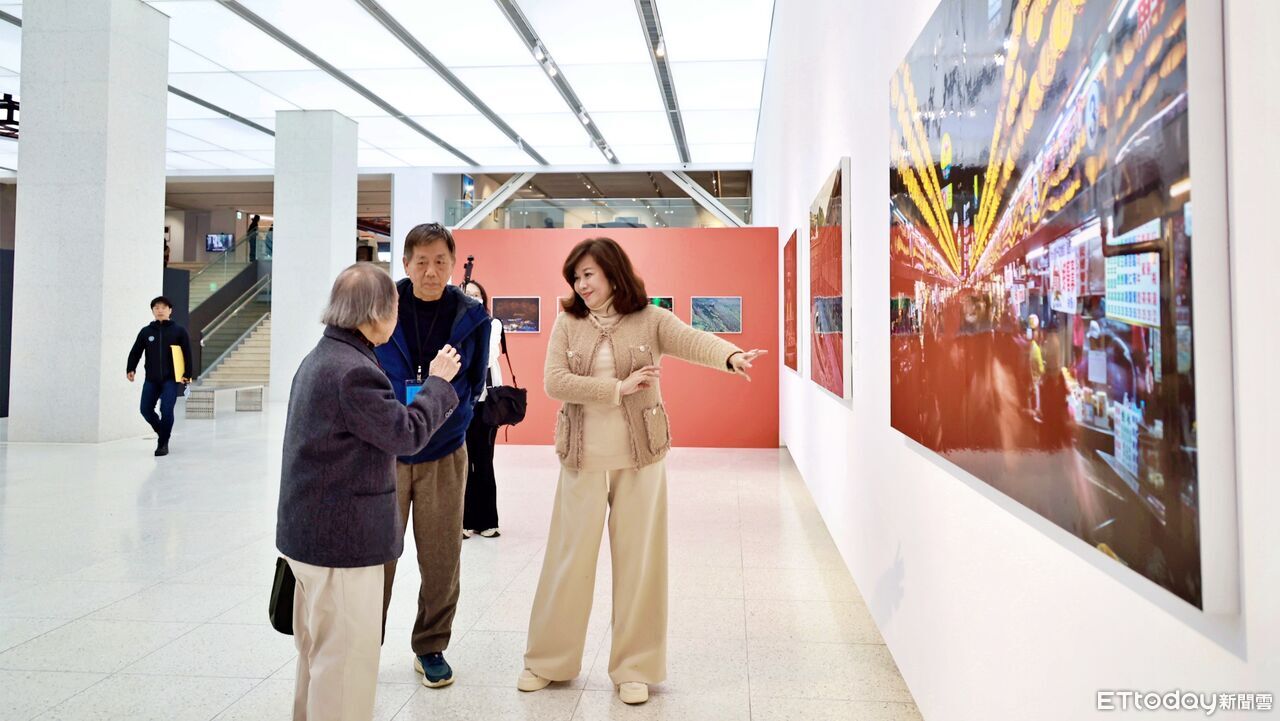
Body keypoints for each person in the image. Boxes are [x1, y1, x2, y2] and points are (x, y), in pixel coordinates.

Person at [517, 238, 766, 705]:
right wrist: (618, 388)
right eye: (575, 277)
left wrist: (730, 356)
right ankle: (548, 660)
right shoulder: (568, 322)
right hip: (582, 458)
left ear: (613, 272)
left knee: (640, 565)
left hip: (641, 457)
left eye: (588, 274)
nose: (580, 284)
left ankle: (635, 667)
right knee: (567, 563)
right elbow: (554, 381)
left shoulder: (650, 319)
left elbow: (691, 339)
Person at [277, 263, 462, 721]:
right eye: (395, 307)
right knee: (344, 669)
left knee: (318, 659)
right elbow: (407, 433)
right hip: (342, 545)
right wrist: (438, 383)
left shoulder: (322, 357)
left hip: (310, 537)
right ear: (376, 313)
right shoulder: (353, 371)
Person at [375, 222, 491, 688]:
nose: (430, 271)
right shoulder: (383, 305)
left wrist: (448, 422)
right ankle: (364, 642)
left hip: (444, 451)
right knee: (376, 555)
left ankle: (431, 645)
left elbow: (474, 383)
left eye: (440, 261)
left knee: (441, 557)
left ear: (452, 264)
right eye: (421, 261)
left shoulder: (472, 316)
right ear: (405, 263)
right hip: (386, 450)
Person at [461, 279, 504, 539]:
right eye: (467, 294)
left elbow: (487, 356)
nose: (473, 298)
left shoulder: (492, 324)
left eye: (477, 294)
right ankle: (465, 521)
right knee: (463, 462)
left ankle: (488, 520)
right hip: (462, 402)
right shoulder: (454, 325)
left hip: (487, 401)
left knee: (484, 460)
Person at [126, 296, 193, 457]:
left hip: (171, 379)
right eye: (156, 308)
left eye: (163, 307)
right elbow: (136, 351)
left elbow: (187, 353)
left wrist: (188, 374)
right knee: (145, 409)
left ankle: (163, 443)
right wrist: (131, 368)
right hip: (151, 379)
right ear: (152, 311)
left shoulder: (179, 331)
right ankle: (163, 432)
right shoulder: (146, 332)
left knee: (166, 410)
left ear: (170, 310)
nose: (160, 310)